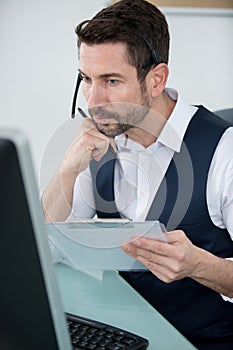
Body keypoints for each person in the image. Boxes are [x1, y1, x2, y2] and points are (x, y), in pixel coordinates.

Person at [42, 0, 233, 348]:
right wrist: (68, 171)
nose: (94, 99)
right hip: (123, 336)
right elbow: (44, 246)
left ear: (156, 79)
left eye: (111, 81)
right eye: (86, 79)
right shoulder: (99, 140)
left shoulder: (224, 151)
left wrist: (198, 265)